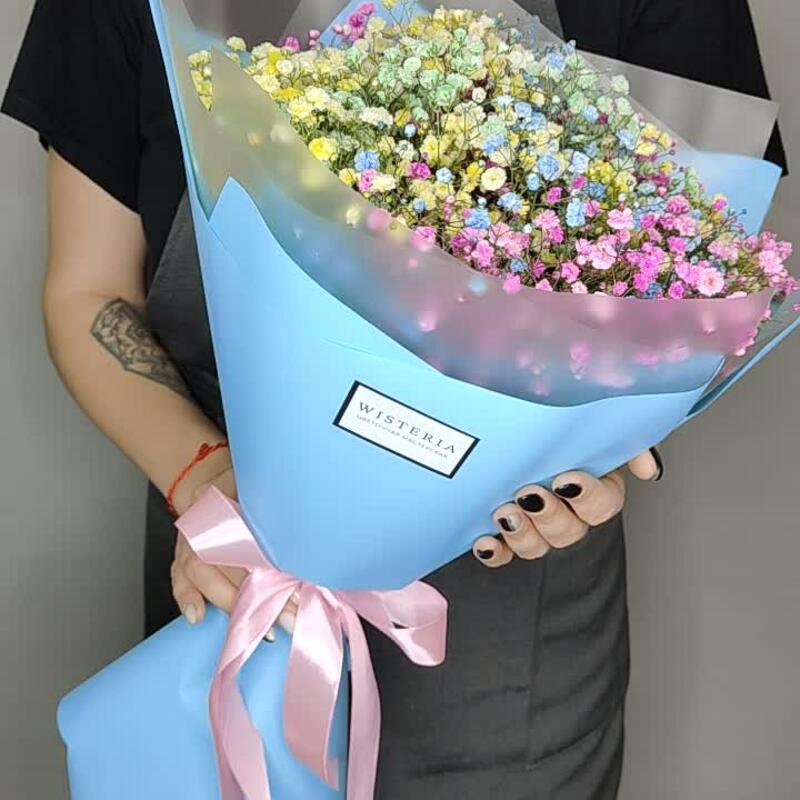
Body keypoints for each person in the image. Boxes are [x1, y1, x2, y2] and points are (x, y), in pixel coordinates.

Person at [1, 0, 784, 797]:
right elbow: (89, 294)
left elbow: (692, 269)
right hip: (231, 568)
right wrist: (210, 482)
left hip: (510, 635)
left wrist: (598, 451)